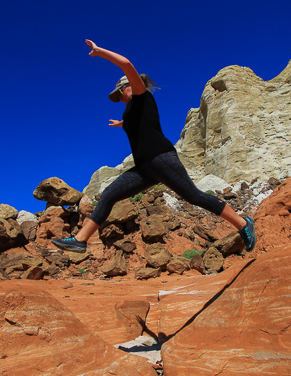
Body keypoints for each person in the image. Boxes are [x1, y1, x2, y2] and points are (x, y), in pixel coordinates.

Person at [51, 40, 256, 253]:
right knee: (110, 194)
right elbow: (140, 122)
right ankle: (81, 240)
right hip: (144, 168)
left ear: (128, 86)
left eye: (120, 93)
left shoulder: (141, 95)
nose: (120, 98)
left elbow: (126, 64)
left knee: (194, 196)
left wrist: (100, 52)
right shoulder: (131, 110)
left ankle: (243, 224)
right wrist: (122, 123)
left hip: (161, 157)